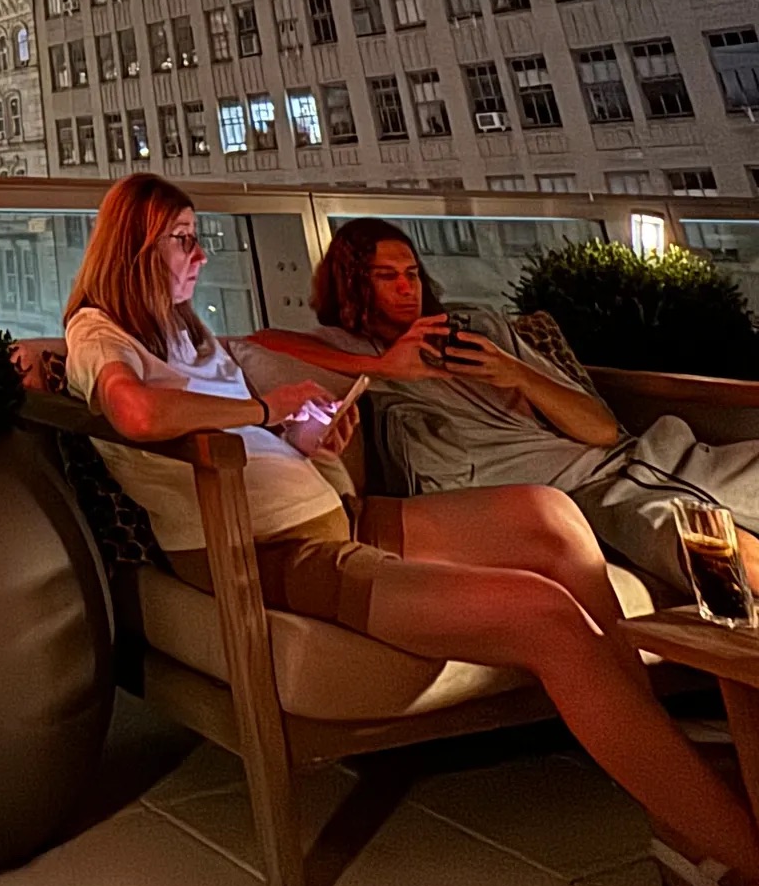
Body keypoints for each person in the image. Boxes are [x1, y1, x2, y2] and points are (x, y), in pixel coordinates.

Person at [62, 174, 759, 886]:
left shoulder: (189, 331)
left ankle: (668, 795)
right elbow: (136, 413)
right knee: (544, 614)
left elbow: (241, 426)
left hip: (335, 509)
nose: (201, 253)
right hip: (279, 552)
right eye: (183, 239)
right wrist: (266, 403)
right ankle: (733, 848)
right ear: (136, 248)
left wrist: (305, 433)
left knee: (550, 515)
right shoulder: (96, 332)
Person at [245, 217, 759, 601]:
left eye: (411, 274)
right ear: (353, 284)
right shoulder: (353, 360)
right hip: (588, 497)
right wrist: (390, 368)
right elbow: (258, 342)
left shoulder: (479, 329)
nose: (407, 288)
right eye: (386, 276)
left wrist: (517, 374)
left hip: (649, 454)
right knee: (706, 542)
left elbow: (603, 431)